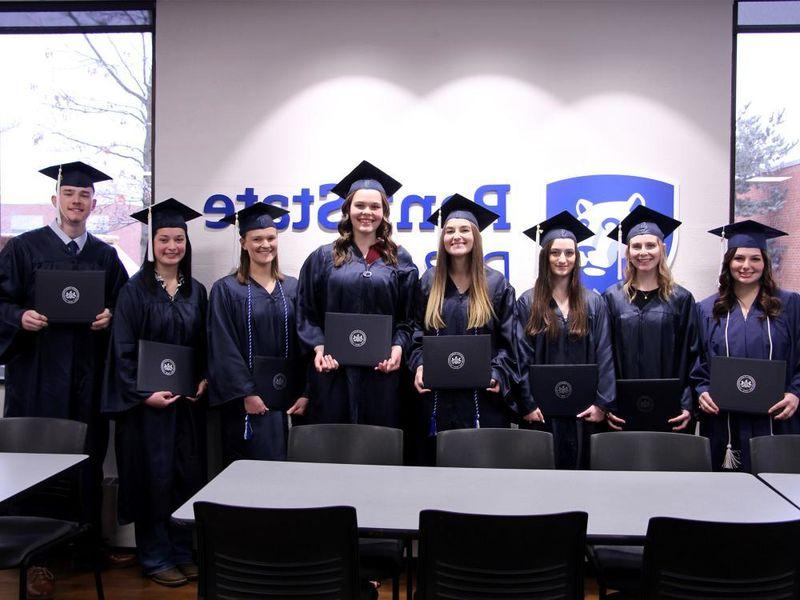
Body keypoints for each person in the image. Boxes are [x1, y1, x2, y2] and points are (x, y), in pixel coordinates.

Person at [0, 161, 129, 596]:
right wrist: (20, 316)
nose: (77, 202)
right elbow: (0, 301)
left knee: (87, 456)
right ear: (56, 200)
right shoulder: (23, 249)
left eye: (85, 195)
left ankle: (86, 544)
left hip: (87, 377)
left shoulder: (106, 256)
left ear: (94, 203)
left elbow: (123, 308)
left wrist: (110, 316)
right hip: (37, 375)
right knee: (36, 461)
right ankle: (34, 558)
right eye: (70, 194)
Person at [102, 198, 207, 587]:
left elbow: (202, 344)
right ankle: (155, 554)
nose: (171, 246)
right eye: (164, 239)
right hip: (147, 409)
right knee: (152, 478)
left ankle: (182, 550)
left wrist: (202, 379)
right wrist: (143, 393)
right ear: (152, 243)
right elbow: (122, 350)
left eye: (178, 239)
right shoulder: (134, 292)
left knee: (184, 476)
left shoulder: (196, 291)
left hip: (184, 407)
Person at [297, 160, 418, 427]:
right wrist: (318, 347)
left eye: (375, 206)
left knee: (379, 446)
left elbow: (408, 320)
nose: (367, 212)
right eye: (360, 205)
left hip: (382, 373)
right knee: (334, 445)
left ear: (384, 213)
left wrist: (398, 348)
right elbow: (307, 313)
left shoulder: (400, 260)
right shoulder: (323, 257)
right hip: (333, 371)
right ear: (347, 210)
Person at [408, 194, 518, 447]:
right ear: (442, 238)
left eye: (464, 230)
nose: (456, 236)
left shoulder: (496, 284)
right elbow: (415, 332)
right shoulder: (428, 281)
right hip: (436, 398)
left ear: (476, 236)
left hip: (481, 400)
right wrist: (419, 365)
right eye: (449, 231)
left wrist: (497, 373)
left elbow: (509, 342)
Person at [691, 220, 800, 471]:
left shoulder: (790, 305)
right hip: (725, 420)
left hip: (777, 418)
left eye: (755, 259)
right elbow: (698, 361)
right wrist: (702, 390)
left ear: (765, 263)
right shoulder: (708, 309)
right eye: (739, 258)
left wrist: (795, 394)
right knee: (727, 496)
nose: (746, 266)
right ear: (728, 262)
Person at [207, 202, 309, 464]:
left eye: (271, 238)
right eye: (257, 239)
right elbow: (223, 347)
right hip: (247, 405)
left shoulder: (294, 288)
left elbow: (306, 342)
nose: (265, 244)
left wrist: (305, 392)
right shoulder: (226, 290)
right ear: (243, 243)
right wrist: (246, 394)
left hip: (288, 403)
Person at [516, 211, 615, 469]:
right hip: (541, 413)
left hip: (583, 413)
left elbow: (605, 354)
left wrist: (602, 404)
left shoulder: (593, 302)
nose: (562, 259)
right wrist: (527, 404)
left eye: (569, 253)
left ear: (577, 257)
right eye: (555, 252)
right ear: (545, 256)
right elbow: (520, 357)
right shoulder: (528, 302)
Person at [603, 205, 698, 432]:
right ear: (628, 252)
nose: (643, 252)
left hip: (670, 408)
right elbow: (604, 356)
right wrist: (607, 403)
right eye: (636, 246)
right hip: (622, 409)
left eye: (650, 245)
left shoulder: (681, 299)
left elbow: (691, 355)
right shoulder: (612, 298)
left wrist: (687, 404)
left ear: (662, 249)